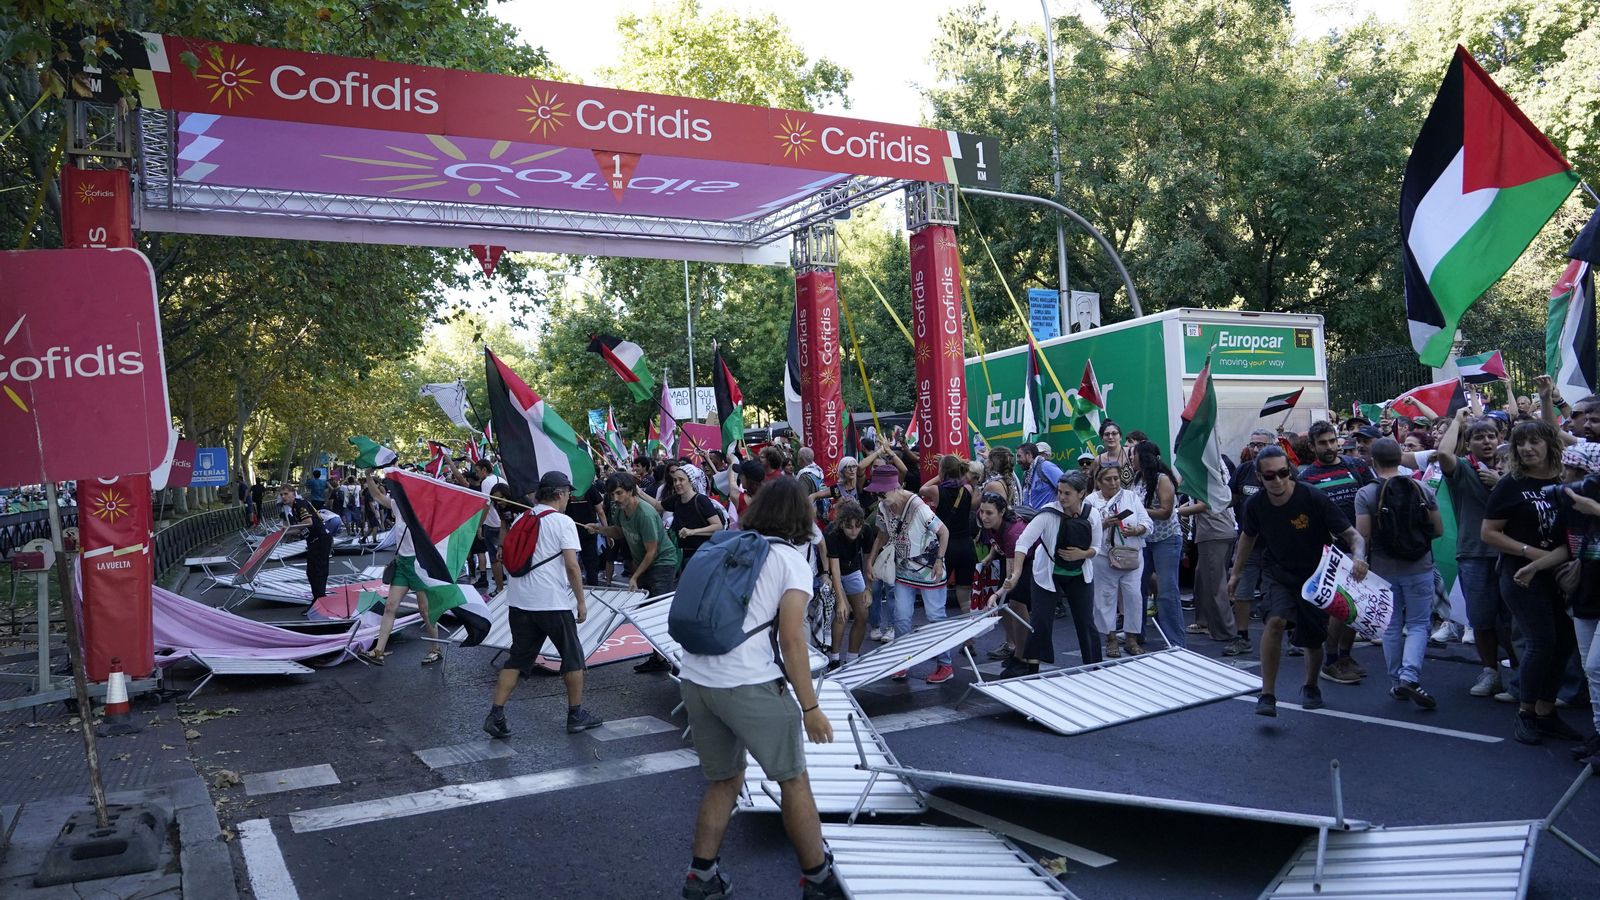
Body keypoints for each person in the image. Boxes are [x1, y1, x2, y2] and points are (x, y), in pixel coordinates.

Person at [677, 476, 845, 900]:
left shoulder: (728, 544)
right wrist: (810, 707)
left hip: (696, 678)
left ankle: (701, 877)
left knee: (725, 781)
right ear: (802, 517)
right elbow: (792, 640)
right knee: (794, 781)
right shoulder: (791, 560)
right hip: (748, 683)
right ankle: (819, 880)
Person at [1228, 446, 1368, 717]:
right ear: (1259, 477)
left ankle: (1311, 685)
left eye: (1283, 473)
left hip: (1315, 576)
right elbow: (1247, 538)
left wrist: (1359, 557)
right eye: (1270, 476)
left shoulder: (1312, 497)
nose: (1278, 480)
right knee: (1276, 620)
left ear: (1290, 471)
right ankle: (1267, 694)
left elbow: (1353, 535)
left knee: (1312, 638)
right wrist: (1235, 573)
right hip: (1277, 572)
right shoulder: (1255, 505)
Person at [1482, 420, 1584, 744]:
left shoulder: (1563, 479)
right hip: (1520, 576)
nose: (1527, 449)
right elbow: (1489, 533)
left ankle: (1546, 711)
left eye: (1534, 442)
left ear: (1549, 445)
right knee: (1541, 641)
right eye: (1521, 443)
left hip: (1557, 574)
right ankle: (1526, 713)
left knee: (1564, 641)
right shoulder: (1510, 484)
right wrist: (1530, 553)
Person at [483, 472, 604, 738]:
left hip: (519, 602)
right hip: (551, 601)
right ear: (560, 494)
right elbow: (572, 566)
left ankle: (496, 713)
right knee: (573, 657)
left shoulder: (521, 520)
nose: (570, 498)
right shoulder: (563, 522)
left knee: (517, 658)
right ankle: (575, 714)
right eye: (568, 493)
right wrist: (581, 602)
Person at [1512, 442, 1600, 764]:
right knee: (1594, 675)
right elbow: (1567, 546)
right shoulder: (1566, 503)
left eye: (1572, 469)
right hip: (1584, 596)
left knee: (1595, 666)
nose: (1565, 474)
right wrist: (1535, 566)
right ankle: (1598, 737)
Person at [1355, 438, 1444, 709]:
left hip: (1384, 569)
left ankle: (1396, 681)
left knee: (1391, 625)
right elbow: (1437, 530)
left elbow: (1363, 536)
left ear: (1373, 461)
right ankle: (1410, 674)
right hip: (1420, 565)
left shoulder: (1366, 494)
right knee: (1418, 623)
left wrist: (1361, 561)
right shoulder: (1421, 488)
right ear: (1401, 458)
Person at [1436, 408, 1516, 697]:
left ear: (1500, 438)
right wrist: (1457, 421)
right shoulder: (1463, 470)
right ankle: (1490, 672)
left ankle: (1519, 677)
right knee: (1481, 619)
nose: (1487, 441)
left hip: (1512, 555)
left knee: (1512, 621)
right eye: (1479, 437)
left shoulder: (1513, 469)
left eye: (1491, 436)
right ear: (1467, 443)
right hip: (1474, 555)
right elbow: (1444, 455)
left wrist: (1501, 483)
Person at [999, 471, 1104, 677]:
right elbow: (1023, 542)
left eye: (1067, 493)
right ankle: (1031, 668)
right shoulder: (1048, 513)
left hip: (1079, 574)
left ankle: (1094, 668)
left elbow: (1096, 548)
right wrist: (1018, 571)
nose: (1061, 497)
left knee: (1085, 621)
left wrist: (1082, 554)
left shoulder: (1092, 514)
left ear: (1081, 493)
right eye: (1059, 492)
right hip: (1046, 574)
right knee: (1041, 622)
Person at [1300, 420, 1376, 685]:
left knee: (1354, 608)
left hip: (1360, 550)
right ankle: (1330, 661)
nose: (1330, 447)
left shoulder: (1357, 467)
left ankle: (1345, 655)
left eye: (1333, 441)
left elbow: (1374, 498)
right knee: (1339, 609)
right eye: (1323, 443)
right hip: (1330, 555)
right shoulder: (1306, 478)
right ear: (1312, 446)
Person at [866, 475, 954, 683]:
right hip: (903, 569)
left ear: (896, 488)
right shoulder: (883, 507)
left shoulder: (918, 506)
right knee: (901, 616)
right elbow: (882, 534)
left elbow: (944, 532)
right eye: (877, 493)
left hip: (928, 569)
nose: (880, 498)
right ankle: (902, 662)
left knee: (935, 617)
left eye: (882, 493)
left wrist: (940, 560)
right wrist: (871, 559)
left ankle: (945, 664)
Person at [358, 476, 443, 666]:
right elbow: (378, 496)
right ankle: (378, 650)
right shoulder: (398, 505)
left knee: (425, 610)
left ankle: (435, 649)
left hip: (419, 564)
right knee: (390, 607)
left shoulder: (424, 510)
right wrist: (369, 475)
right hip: (402, 563)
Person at [1086, 463, 1150, 658]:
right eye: (1108, 479)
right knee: (1104, 598)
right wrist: (1104, 524)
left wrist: (1137, 529)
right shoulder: (1090, 502)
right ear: (1098, 481)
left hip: (1131, 555)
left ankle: (1131, 638)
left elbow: (1147, 522)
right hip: (1104, 558)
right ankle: (1111, 639)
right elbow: (1084, 529)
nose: (1113, 483)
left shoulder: (1130, 497)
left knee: (1133, 597)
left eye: (1116, 478)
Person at [1131, 441, 1185, 649]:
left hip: (1166, 539)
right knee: (1137, 587)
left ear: (1143, 457)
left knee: (1167, 590)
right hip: (1145, 541)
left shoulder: (1162, 479)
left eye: (1133, 455)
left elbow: (1165, 512)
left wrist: (1141, 512)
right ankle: (1136, 634)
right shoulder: (1137, 478)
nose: (1130, 458)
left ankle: (1175, 640)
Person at [1178, 486, 1237, 644]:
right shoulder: (1212, 477)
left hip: (1214, 532)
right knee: (1203, 580)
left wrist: (1176, 511)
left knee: (1214, 585)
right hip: (1220, 530)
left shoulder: (1203, 476)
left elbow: (1204, 504)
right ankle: (1204, 622)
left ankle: (1225, 630)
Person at [976, 491, 1029, 662]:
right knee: (1004, 603)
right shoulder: (989, 521)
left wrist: (995, 594)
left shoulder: (1013, 532)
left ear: (1001, 512)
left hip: (1031, 561)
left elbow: (1011, 577)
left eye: (989, 513)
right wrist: (989, 558)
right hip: (1009, 555)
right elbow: (994, 539)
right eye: (982, 511)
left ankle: (1022, 654)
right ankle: (1012, 645)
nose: (984, 516)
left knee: (1016, 602)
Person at [921, 454, 977, 614]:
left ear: (943, 471)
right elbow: (964, 476)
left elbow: (921, 489)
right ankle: (968, 631)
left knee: (939, 588)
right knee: (965, 592)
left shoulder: (936, 490)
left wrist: (938, 476)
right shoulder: (967, 489)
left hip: (945, 547)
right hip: (966, 546)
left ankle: (941, 627)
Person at [824, 499, 875, 668]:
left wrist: (869, 588)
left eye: (857, 525)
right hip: (832, 573)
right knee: (842, 613)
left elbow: (868, 561)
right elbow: (835, 570)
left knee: (863, 614)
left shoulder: (866, 530)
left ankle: (852, 657)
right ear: (841, 524)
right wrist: (840, 600)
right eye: (849, 526)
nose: (854, 531)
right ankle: (834, 657)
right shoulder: (832, 533)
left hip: (853, 569)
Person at [648, 463, 725, 566]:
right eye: (675, 480)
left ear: (691, 481)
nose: (677, 483)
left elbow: (718, 526)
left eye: (681, 480)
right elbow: (658, 505)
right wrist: (637, 492)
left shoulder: (701, 500)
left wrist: (692, 531)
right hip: (683, 553)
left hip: (702, 554)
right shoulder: (676, 499)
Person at [279, 486, 332, 600]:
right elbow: (300, 529)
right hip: (313, 541)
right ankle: (317, 597)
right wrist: (284, 532)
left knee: (318, 571)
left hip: (320, 539)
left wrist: (288, 529)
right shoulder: (293, 507)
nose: (283, 497)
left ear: (294, 494)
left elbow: (308, 522)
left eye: (286, 493)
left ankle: (320, 598)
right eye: (281, 494)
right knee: (311, 572)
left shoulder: (300, 504)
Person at [475, 460, 506, 594]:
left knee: (494, 559)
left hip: (492, 524)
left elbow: (486, 505)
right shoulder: (502, 480)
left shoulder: (486, 482)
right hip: (504, 523)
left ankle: (499, 589)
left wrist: (480, 525)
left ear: (484, 470)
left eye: (477, 471)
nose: (477, 474)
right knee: (506, 556)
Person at [1018, 441, 1063, 510]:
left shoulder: (1046, 466)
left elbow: (1066, 487)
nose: (1018, 460)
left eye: (1019, 456)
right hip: (1030, 518)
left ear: (1029, 455)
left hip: (1047, 517)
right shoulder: (1027, 474)